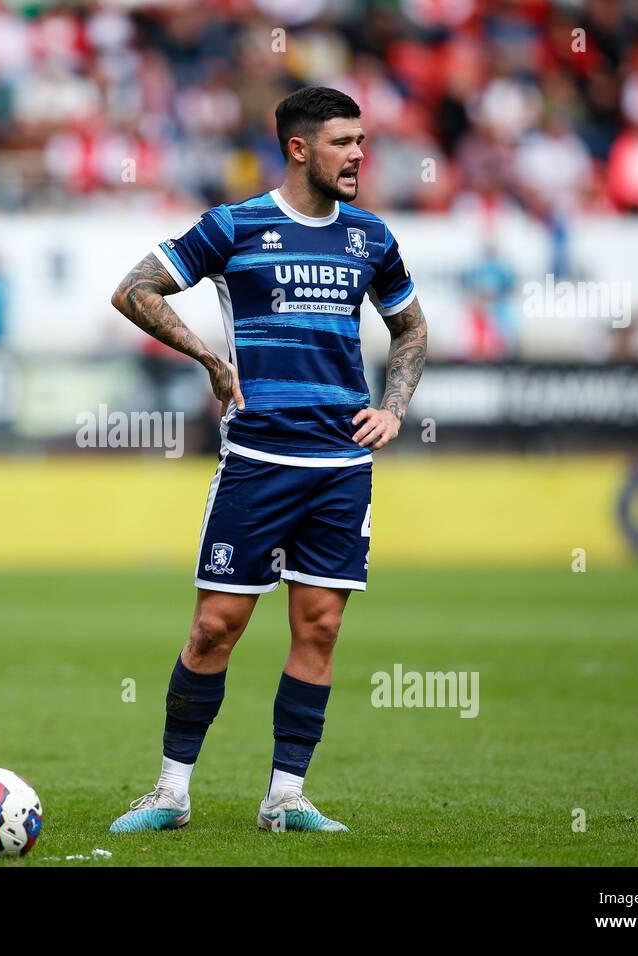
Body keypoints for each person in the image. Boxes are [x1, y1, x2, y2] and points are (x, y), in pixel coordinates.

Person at [107, 87, 428, 834]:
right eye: (343, 142)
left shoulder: (370, 237)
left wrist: (394, 407)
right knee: (216, 626)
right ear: (299, 147)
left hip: (341, 465)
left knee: (318, 628)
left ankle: (286, 798)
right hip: (257, 458)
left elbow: (410, 328)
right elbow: (134, 290)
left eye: (361, 140)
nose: (358, 154)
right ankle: (170, 792)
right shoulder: (235, 225)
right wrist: (213, 361)